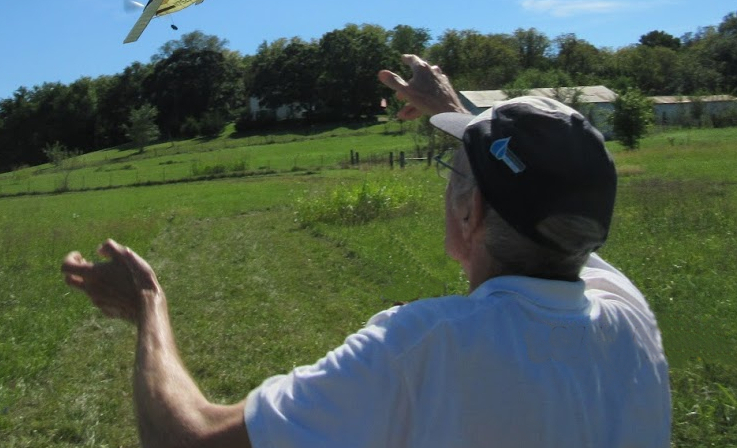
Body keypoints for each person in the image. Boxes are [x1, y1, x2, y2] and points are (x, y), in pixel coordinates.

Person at [61, 54, 671, 447]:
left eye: (453, 177)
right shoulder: (629, 313)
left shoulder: (422, 347)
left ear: (473, 212)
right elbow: (543, 207)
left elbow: (188, 438)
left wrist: (147, 308)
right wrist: (457, 117)